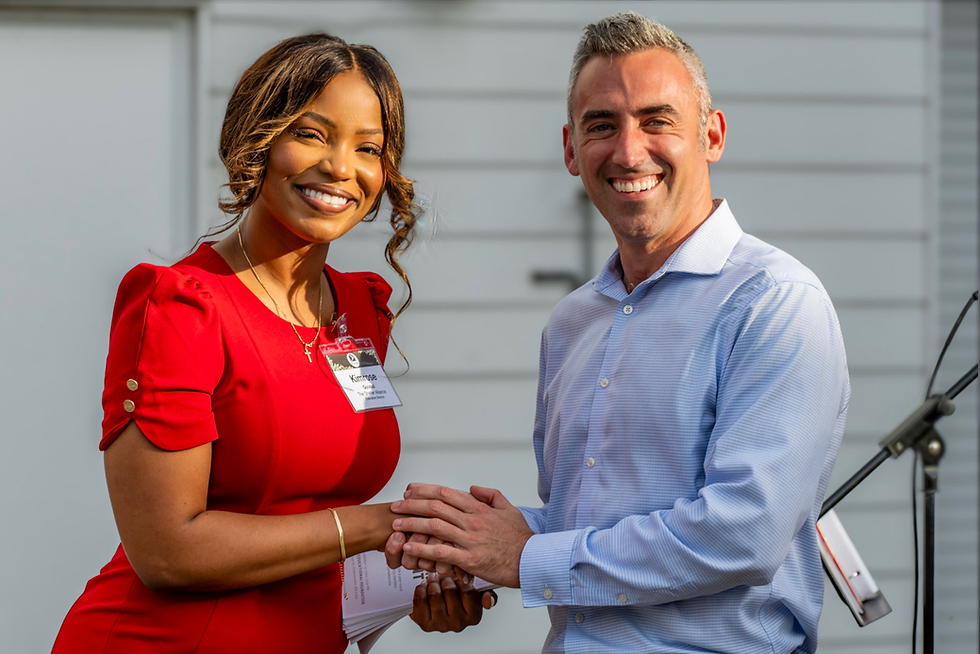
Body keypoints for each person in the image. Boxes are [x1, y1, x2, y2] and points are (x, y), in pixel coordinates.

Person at [385, 12, 849, 654]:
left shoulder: (774, 302)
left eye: (657, 120)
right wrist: (470, 546)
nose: (629, 151)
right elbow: (586, 522)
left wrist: (524, 559)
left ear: (711, 136)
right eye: (602, 125)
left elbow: (744, 532)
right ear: (572, 150)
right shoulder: (572, 322)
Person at [51, 33, 489, 654]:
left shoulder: (361, 311)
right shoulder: (180, 304)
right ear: (258, 138)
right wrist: (376, 525)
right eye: (312, 134)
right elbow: (165, 552)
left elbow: (311, 522)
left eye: (368, 148)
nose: (341, 167)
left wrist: (406, 583)